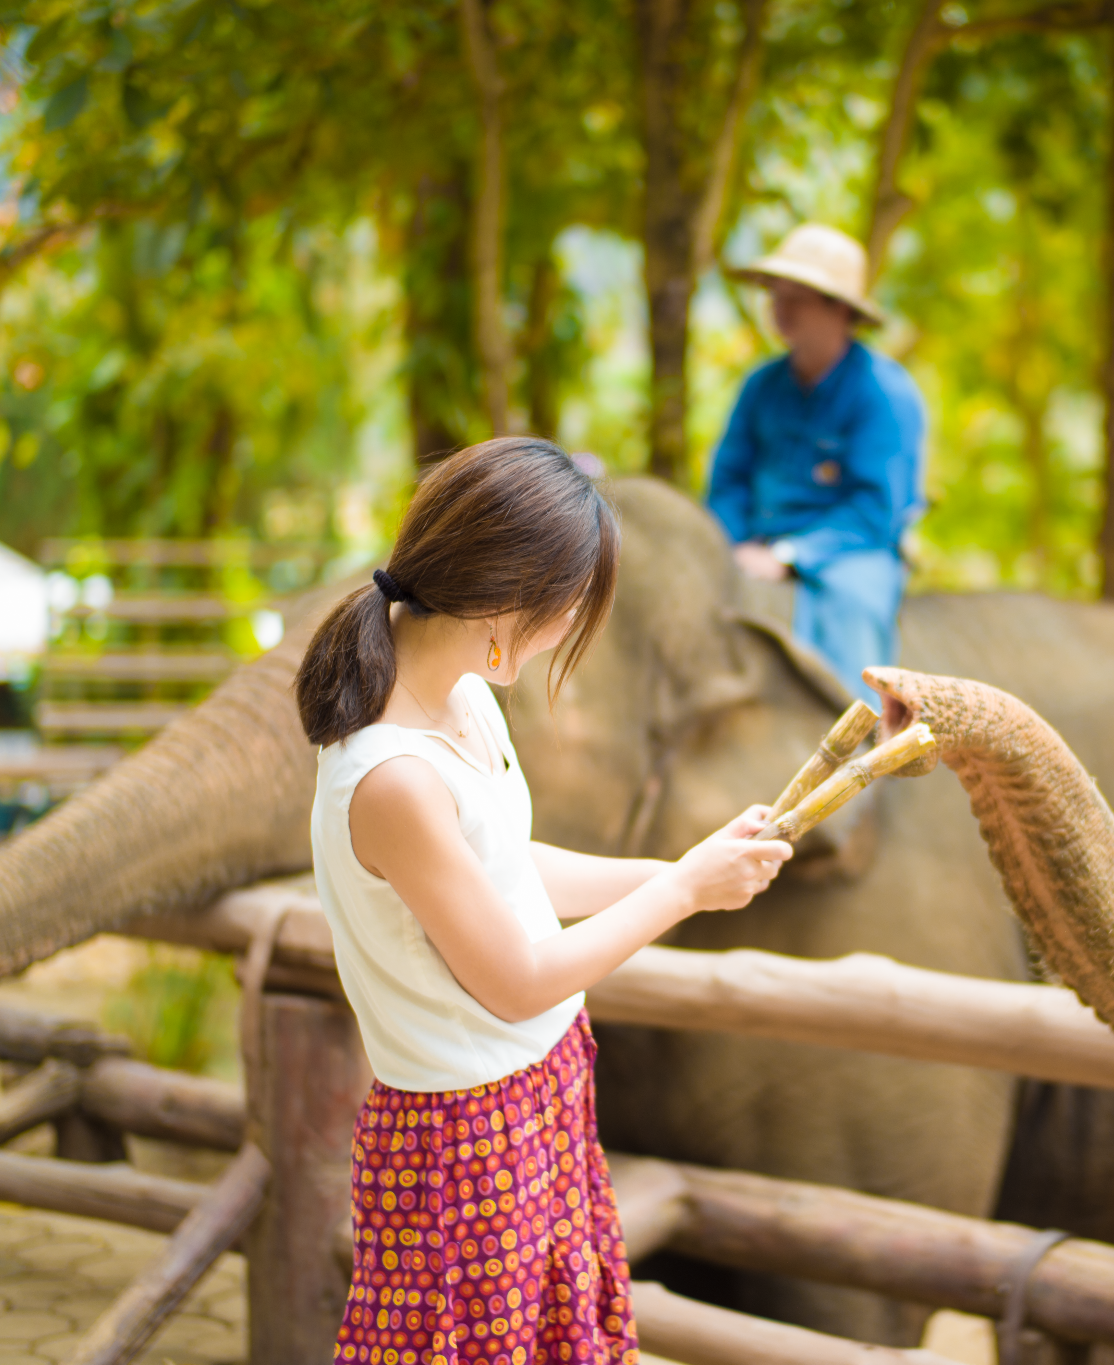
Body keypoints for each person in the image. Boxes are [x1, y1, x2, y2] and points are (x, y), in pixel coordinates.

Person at [294, 438, 793, 1365]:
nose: (571, 627)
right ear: (503, 598)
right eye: (570, 605)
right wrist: (682, 892)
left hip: (541, 1086)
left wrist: (683, 867)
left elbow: (510, 867)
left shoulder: (466, 696)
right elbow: (517, 980)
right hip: (462, 1140)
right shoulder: (391, 775)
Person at [708, 224, 926, 705]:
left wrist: (789, 557)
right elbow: (728, 479)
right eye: (775, 294)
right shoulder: (761, 387)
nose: (780, 309)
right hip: (751, 546)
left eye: (798, 296)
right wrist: (734, 542)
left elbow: (874, 509)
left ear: (841, 309)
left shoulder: (884, 395)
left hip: (848, 555)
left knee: (853, 618)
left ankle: (862, 761)